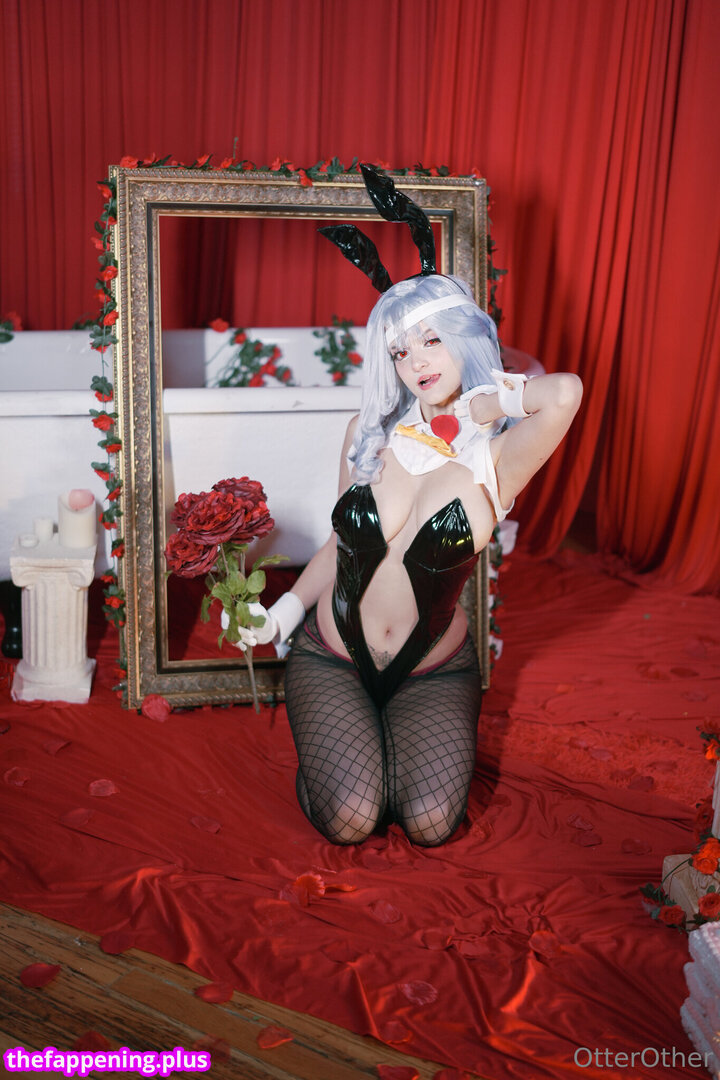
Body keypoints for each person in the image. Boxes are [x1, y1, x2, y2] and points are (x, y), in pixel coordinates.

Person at [231, 169, 582, 847]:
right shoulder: (368, 437)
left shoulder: (499, 457)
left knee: (428, 825)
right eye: (399, 350)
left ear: (463, 337)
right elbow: (339, 546)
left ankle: (382, 741)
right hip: (333, 653)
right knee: (352, 819)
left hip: (433, 670)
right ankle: (349, 747)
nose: (416, 362)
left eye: (431, 340)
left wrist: (489, 403)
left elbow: (564, 393)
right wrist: (283, 611)